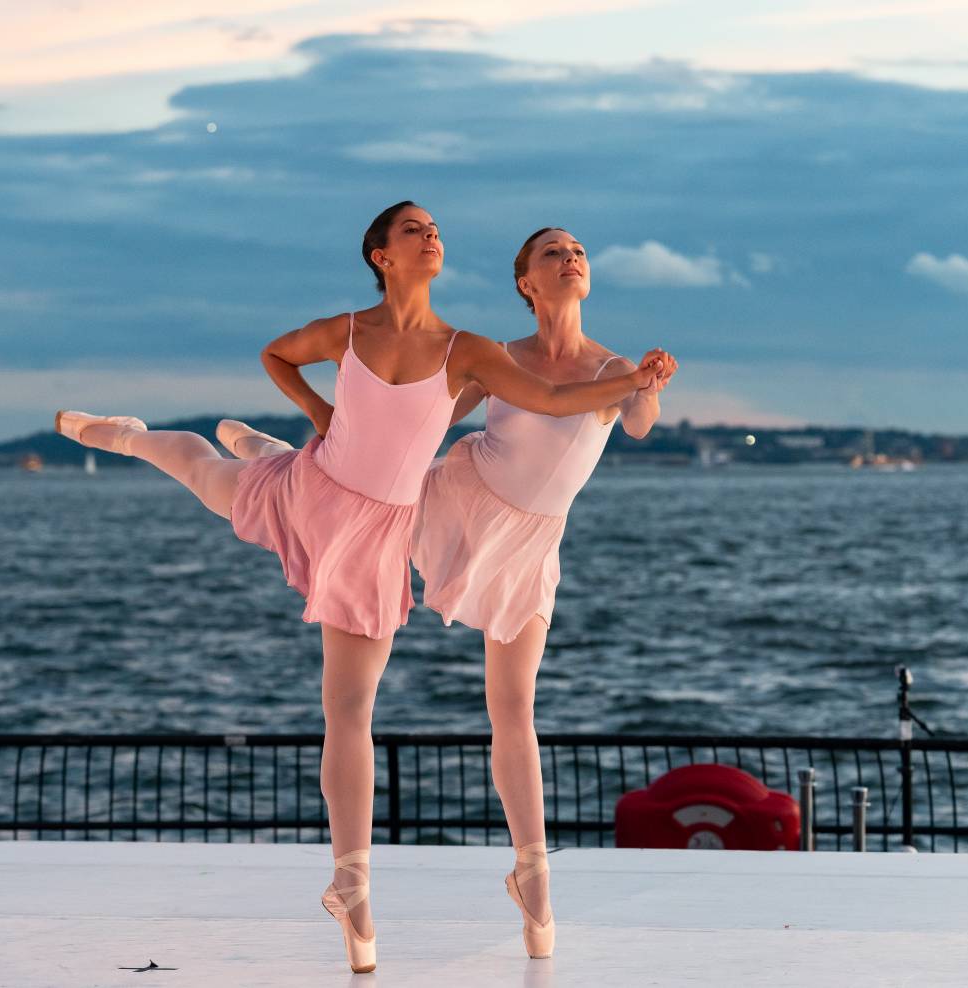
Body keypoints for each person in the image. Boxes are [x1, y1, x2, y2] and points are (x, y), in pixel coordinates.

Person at [57, 203, 668, 974]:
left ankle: (470, 875)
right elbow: (340, 384)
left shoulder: (515, 357)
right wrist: (321, 412)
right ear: (381, 256)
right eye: (413, 230)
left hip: (455, 529)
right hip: (387, 493)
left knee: (441, 705)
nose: (432, 236)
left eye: (435, 229)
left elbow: (590, 410)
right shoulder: (409, 341)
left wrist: (642, 382)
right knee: (209, 474)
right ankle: (135, 436)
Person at [410, 226, 677, 958]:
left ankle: (533, 876)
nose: (571, 258)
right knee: (348, 510)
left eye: (579, 251)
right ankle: (272, 462)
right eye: (553, 253)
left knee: (512, 708)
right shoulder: (500, 360)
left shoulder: (613, 367)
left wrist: (646, 384)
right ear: (526, 281)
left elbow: (643, 424)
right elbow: (428, 418)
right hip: (464, 494)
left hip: (531, 545)